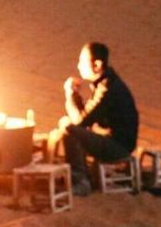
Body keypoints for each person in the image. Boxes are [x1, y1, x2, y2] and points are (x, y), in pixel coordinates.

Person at [51, 41, 139, 196]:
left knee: (68, 128)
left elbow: (80, 122)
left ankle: (81, 181)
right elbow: (86, 117)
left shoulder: (107, 88)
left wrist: (70, 94)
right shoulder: (104, 84)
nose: (78, 66)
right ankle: (81, 176)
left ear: (97, 65)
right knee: (70, 126)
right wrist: (75, 97)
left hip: (118, 146)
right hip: (111, 140)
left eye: (82, 62)